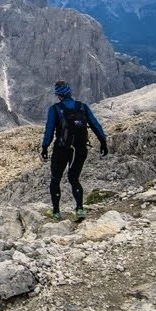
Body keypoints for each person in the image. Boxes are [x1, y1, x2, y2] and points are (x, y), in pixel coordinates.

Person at [41, 81, 108, 220]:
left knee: (55, 179)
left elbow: (49, 129)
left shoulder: (55, 109)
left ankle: (56, 212)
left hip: (62, 149)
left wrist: (45, 147)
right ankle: (79, 210)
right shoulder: (82, 107)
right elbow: (95, 124)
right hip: (80, 149)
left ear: (58, 95)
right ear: (70, 92)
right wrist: (103, 142)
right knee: (74, 178)